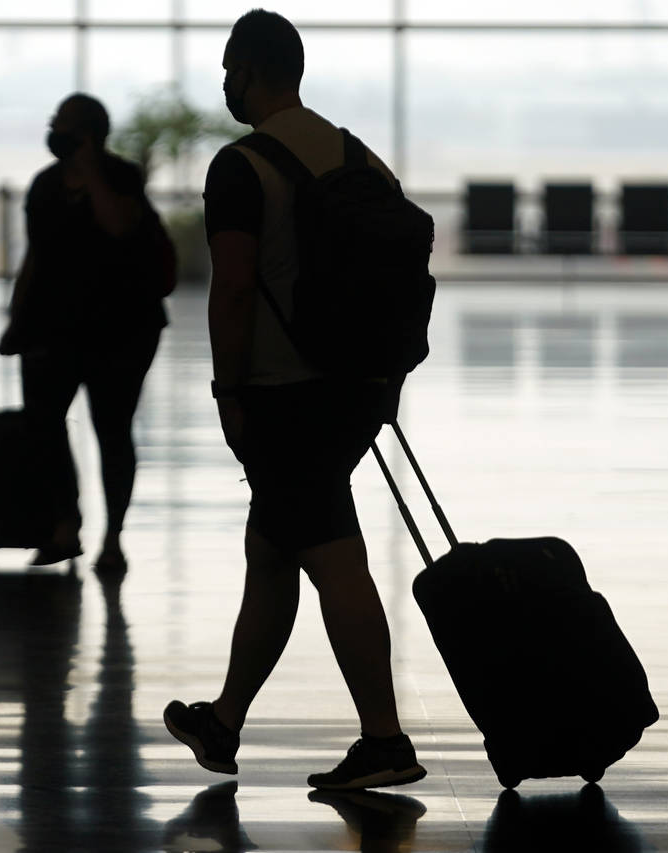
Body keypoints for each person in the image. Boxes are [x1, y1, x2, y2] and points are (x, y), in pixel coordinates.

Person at [163, 9, 426, 791]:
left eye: (227, 69)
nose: (222, 83)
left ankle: (385, 740)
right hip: (357, 389)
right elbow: (405, 285)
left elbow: (234, 287)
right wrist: (386, 386)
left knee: (333, 557)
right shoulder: (363, 159)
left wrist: (227, 389)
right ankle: (224, 722)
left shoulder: (241, 167)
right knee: (273, 550)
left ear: (249, 70)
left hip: (285, 394)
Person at [0, 93, 166, 573]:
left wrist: (92, 172)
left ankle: (112, 536)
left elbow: (118, 227)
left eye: (64, 124)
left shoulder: (121, 178)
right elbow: (35, 256)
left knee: (113, 431)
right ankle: (64, 525)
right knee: (45, 427)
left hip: (121, 329)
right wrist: (17, 319)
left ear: (90, 133)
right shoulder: (45, 186)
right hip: (53, 327)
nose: (55, 130)